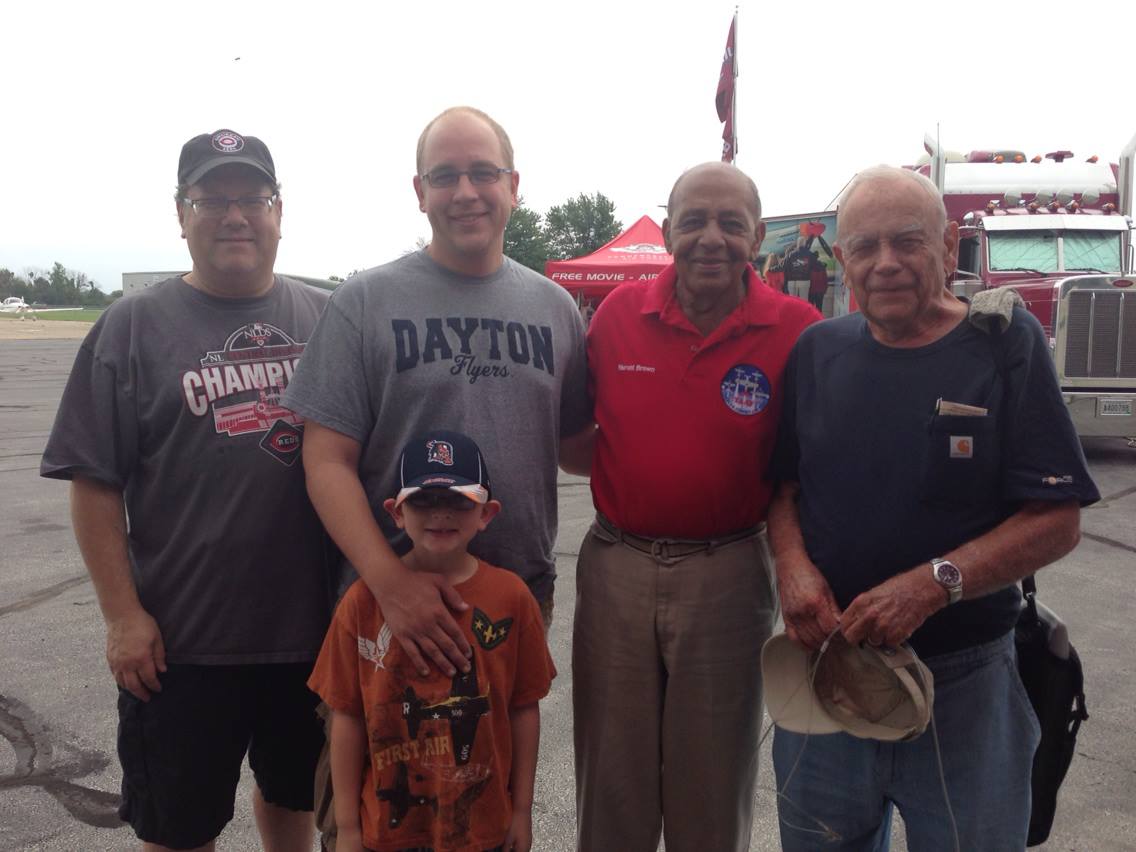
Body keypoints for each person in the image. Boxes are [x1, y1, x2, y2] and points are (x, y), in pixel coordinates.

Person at [281, 105, 590, 849]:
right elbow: (324, 459)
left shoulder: (554, 309)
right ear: (419, 192)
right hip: (390, 597)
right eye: (445, 176)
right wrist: (389, 583)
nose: (466, 191)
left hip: (515, 592)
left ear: (514, 187)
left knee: (483, 796)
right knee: (383, 797)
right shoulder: (364, 302)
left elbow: (581, 446)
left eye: (483, 173)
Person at [768, 165, 1100, 851]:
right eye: (864, 246)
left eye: (908, 241)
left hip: (966, 684)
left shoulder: (1005, 346)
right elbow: (784, 490)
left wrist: (932, 584)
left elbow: (1058, 518)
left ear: (949, 249)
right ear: (842, 260)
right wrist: (793, 568)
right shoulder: (816, 352)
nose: (885, 263)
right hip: (827, 671)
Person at [41, 129, 331, 852]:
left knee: (295, 799)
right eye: (212, 199)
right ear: (181, 213)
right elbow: (93, 481)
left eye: (251, 199)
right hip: (182, 645)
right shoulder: (130, 328)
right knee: (177, 830)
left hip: (314, 637)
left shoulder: (331, 319)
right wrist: (121, 617)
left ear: (279, 210)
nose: (235, 215)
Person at [574, 161, 820, 852]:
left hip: (729, 569)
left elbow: (802, 473)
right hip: (617, 562)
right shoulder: (619, 314)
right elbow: (572, 435)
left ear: (758, 235)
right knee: (611, 776)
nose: (711, 238)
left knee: (712, 779)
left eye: (730, 223)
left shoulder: (797, 329)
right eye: (693, 221)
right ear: (670, 228)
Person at [308, 430, 555, 852]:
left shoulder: (513, 598)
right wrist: (347, 827)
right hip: (386, 830)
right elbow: (346, 717)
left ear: (486, 513)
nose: (441, 513)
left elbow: (523, 708)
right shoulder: (361, 603)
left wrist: (522, 810)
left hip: (481, 829)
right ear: (396, 512)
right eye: (423, 500)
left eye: (459, 500)